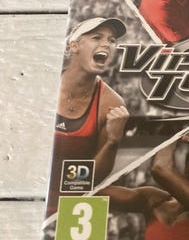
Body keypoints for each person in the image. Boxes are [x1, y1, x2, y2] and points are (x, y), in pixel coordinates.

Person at [46, 17, 130, 217]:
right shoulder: (44, 85)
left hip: (72, 206)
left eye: (111, 40)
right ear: (74, 46)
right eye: (96, 37)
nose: (106, 44)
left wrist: (113, 141)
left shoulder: (112, 103)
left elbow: (93, 179)